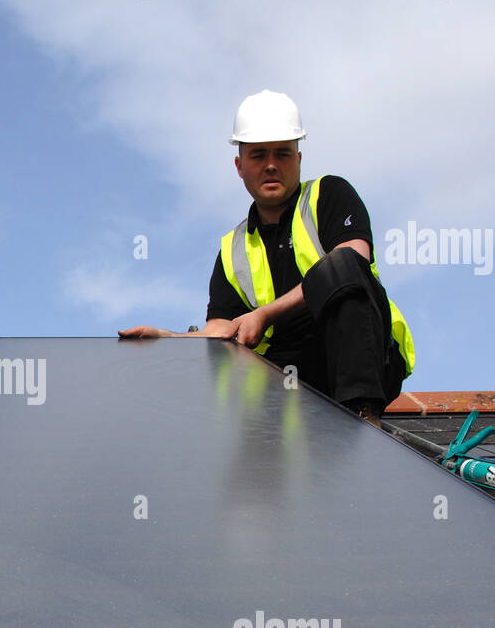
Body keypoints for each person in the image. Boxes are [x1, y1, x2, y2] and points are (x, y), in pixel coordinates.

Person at [120, 90, 414, 422]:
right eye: (258, 155)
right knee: (231, 369)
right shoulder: (232, 248)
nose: (271, 165)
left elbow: (352, 261)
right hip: (290, 382)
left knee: (342, 267)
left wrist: (263, 316)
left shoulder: (329, 195)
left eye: (283, 154)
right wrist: (168, 339)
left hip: (365, 362)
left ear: (299, 160)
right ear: (239, 166)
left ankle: (362, 420)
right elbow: (221, 329)